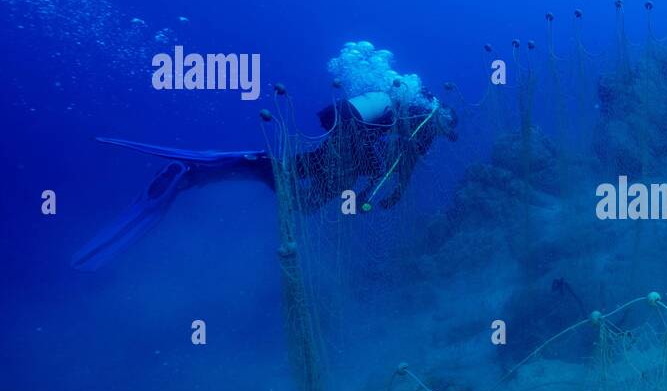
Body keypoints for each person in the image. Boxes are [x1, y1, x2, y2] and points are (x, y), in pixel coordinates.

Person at [72, 90, 456, 271]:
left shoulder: (411, 113)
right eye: (447, 128)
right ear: (443, 119)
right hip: (350, 139)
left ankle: (204, 173)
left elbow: (392, 169)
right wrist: (373, 196)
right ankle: (254, 166)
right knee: (305, 198)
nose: (442, 133)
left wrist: (372, 193)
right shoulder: (421, 120)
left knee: (298, 172)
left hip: (344, 133)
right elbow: (397, 169)